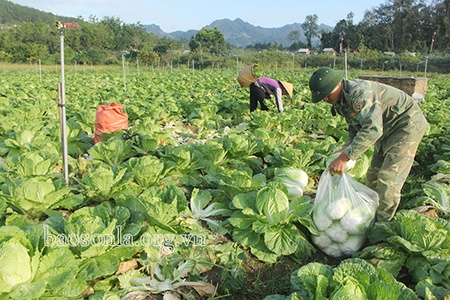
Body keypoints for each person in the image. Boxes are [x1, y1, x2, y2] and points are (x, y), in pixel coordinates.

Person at [308, 67, 428, 222]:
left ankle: (382, 226)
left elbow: (372, 129)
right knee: (373, 176)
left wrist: (345, 157)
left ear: (336, 85)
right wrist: (347, 146)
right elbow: (355, 126)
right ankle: (369, 215)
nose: (324, 100)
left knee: (388, 179)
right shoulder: (339, 101)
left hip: (406, 125)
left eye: (326, 95)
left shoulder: (359, 94)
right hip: (385, 128)